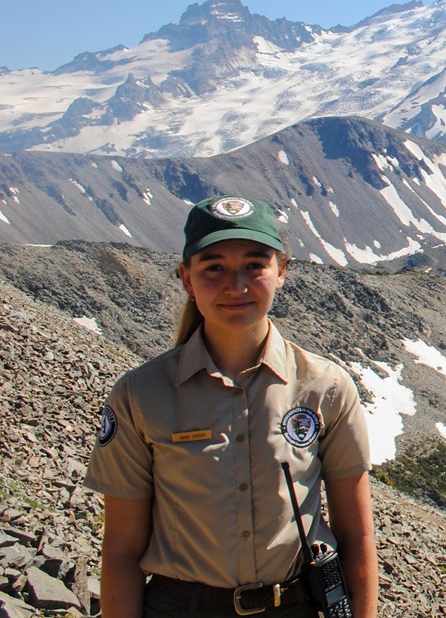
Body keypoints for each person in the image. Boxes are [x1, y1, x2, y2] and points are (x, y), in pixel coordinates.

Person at [85, 195, 379, 617]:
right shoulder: (140, 394)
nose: (236, 286)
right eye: (214, 267)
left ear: (281, 272)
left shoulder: (325, 388)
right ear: (186, 279)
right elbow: (120, 552)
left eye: (255, 265)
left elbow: (357, 537)